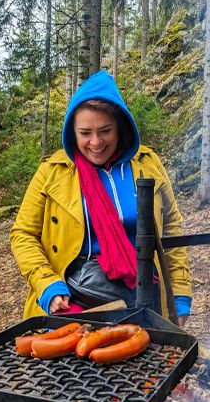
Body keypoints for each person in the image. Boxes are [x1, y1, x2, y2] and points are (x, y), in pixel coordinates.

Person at [10, 70, 192, 326]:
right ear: (72, 132)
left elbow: (171, 232)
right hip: (74, 301)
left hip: (144, 298)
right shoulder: (52, 173)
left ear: (120, 126)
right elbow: (23, 234)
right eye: (85, 133)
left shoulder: (148, 164)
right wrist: (46, 284)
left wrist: (179, 294)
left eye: (105, 130)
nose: (95, 142)